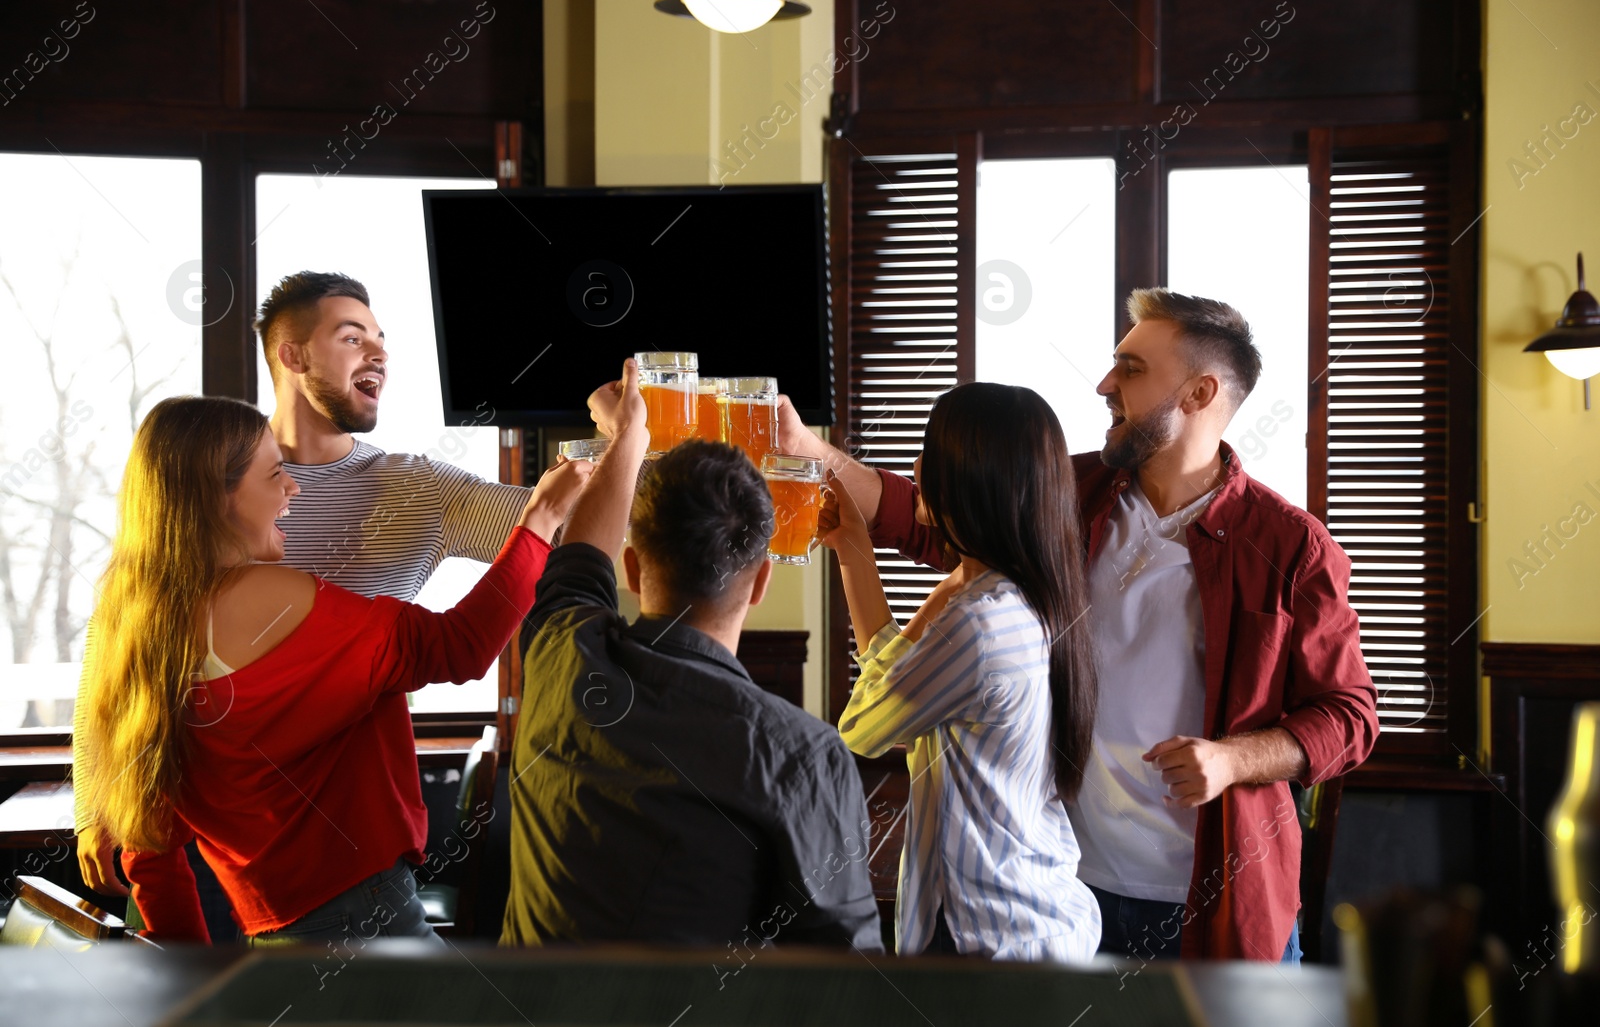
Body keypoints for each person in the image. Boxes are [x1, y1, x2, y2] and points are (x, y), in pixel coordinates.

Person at [783, 288, 1379, 962]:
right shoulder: (1072, 494)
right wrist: (811, 451)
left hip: (1213, 906)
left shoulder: (1291, 544)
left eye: (1130, 369)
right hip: (1068, 893)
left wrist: (1232, 758)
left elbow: (1349, 716)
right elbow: (940, 515)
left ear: (1199, 391)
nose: (1104, 384)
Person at [75, 271, 537, 908]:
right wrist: (95, 796)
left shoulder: (418, 491)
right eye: (353, 338)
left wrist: (668, 455)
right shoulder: (209, 474)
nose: (379, 353)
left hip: (333, 852)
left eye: (381, 339)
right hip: (195, 849)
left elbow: (554, 527)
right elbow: (122, 635)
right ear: (291, 356)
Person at [76, 396, 587, 943]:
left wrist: (193, 986)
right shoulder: (267, 596)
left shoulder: (135, 626)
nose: (292, 489)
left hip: (277, 934)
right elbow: (459, 647)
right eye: (275, 474)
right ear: (216, 498)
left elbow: (149, 848)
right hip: (361, 918)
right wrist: (541, 519)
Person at [501, 359, 882, 953]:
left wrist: (631, 434)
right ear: (761, 583)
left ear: (632, 568)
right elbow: (847, 974)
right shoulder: (801, 755)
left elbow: (579, 562)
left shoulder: (560, 653)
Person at [821, 382, 1101, 962]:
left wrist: (883, 568)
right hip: (1041, 915)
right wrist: (854, 550)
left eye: (931, 451)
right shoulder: (1036, 596)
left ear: (971, 479)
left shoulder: (977, 622)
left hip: (983, 937)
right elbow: (903, 706)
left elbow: (865, 727)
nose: (917, 467)